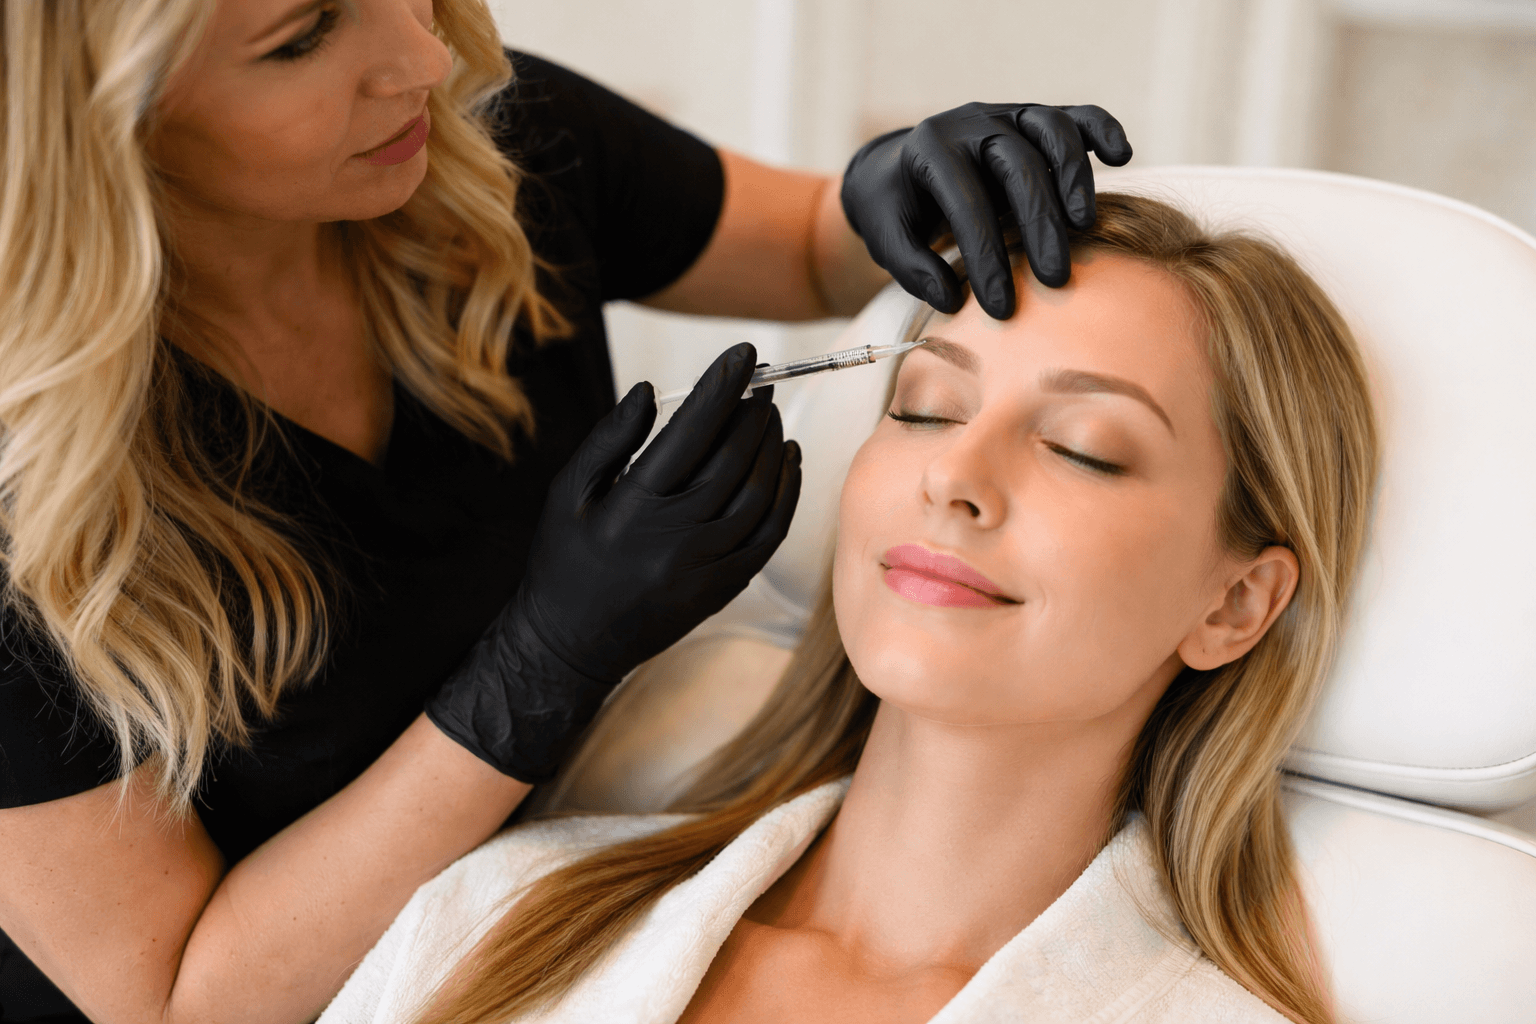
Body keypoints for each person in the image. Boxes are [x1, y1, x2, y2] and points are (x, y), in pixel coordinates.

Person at [0, 1, 1133, 1021]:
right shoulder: (23, 477)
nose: (423, 57)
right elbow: (179, 999)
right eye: (303, 38)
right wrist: (543, 663)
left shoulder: (500, 139)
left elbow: (803, 251)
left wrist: (888, 188)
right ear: (98, 115)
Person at [313, 193, 1380, 1024]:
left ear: (1236, 604)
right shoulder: (497, 916)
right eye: (925, 408)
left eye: (1081, 446)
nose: (953, 474)